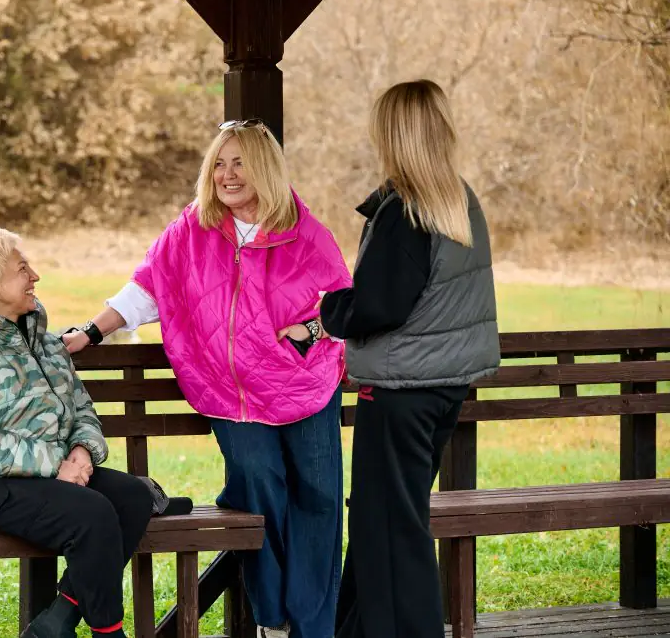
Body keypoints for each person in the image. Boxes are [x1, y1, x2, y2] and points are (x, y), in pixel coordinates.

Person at [63, 120, 352, 638]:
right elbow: (147, 288)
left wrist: (309, 330)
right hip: (229, 394)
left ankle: (314, 628)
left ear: (265, 168)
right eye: (219, 164)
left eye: (239, 162)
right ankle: (273, 620)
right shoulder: (192, 228)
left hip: (304, 385)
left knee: (318, 500)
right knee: (259, 488)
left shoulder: (306, 232)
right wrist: (92, 331)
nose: (227, 174)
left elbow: (344, 306)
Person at [316, 80, 501, 638]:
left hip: (400, 392)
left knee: (392, 531)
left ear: (394, 135)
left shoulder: (409, 210)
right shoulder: (458, 199)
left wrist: (328, 309)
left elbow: (379, 306)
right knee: (386, 522)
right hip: (442, 388)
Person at [0, 226, 153, 638]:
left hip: (35, 475)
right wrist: (55, 464)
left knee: (132, 496)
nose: (35, 276)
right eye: (22, 269)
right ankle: (109, 634)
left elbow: (81, 409)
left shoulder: (46, 344)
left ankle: (57, 620)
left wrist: (81, 452)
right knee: (90, 514)